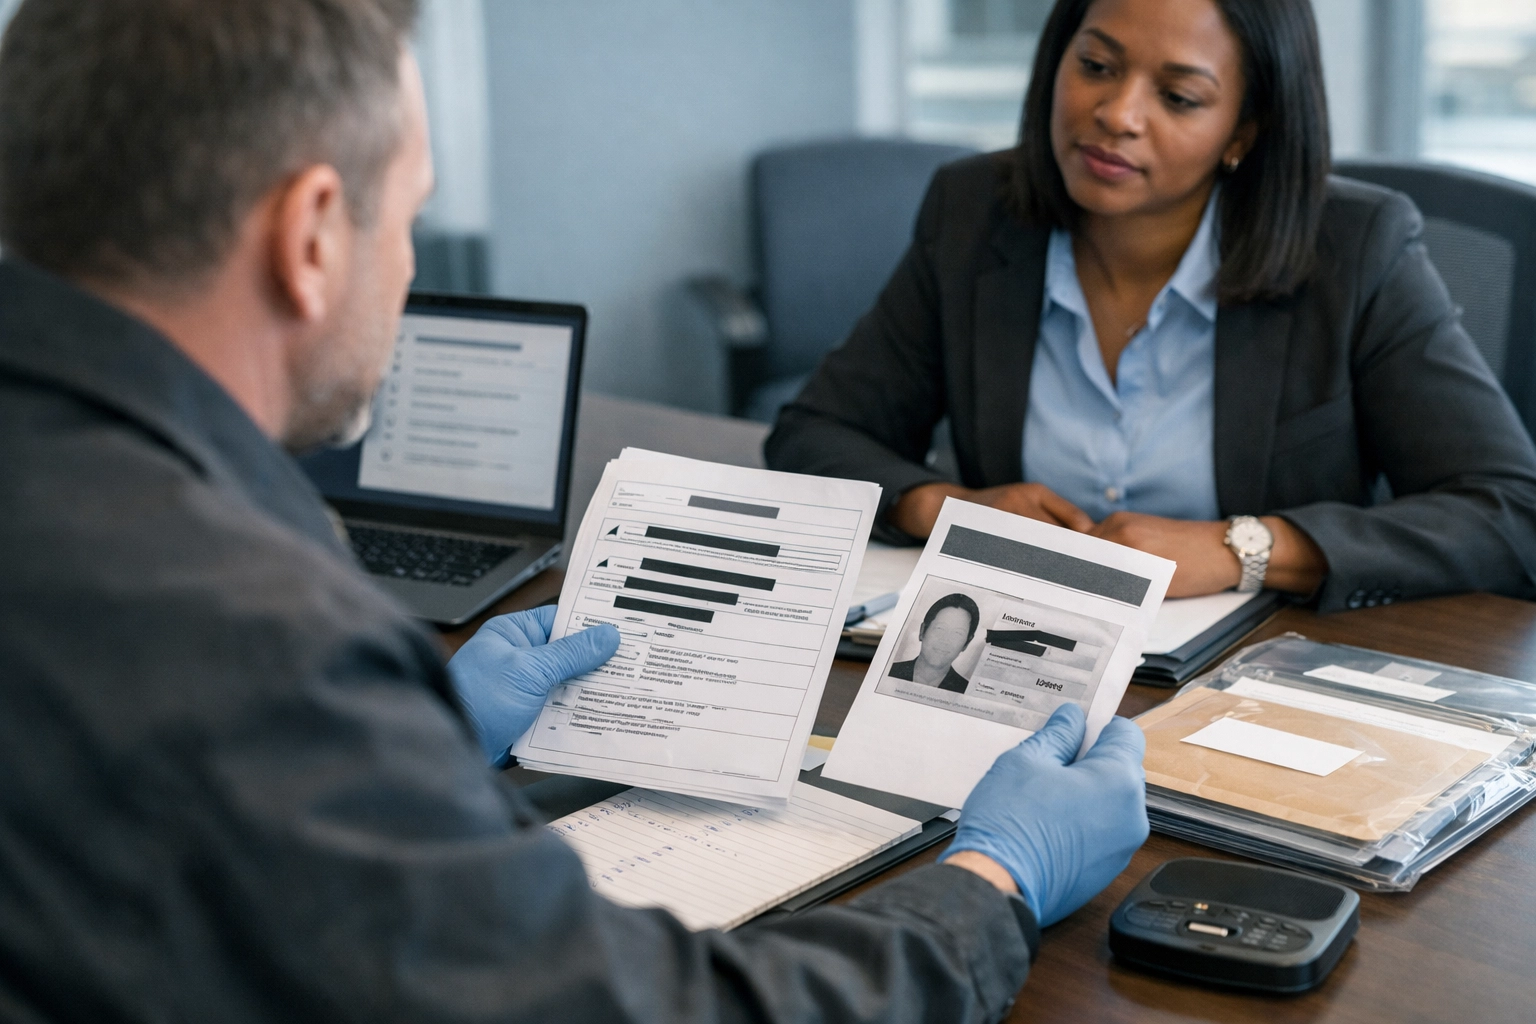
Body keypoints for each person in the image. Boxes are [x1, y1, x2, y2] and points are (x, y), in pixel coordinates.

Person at [0, 2, 1150, 1020]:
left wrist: (421, 738)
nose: (402, 269)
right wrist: (992, 881)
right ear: (309, 238)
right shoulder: (244, 636)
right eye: (405, 216)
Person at [765, 0, 1536, 612]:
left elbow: (1510, 512)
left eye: (1178, 96)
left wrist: (1241, 549)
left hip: (1258, 687)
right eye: (1095, 65)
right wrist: (949, 508)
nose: (1118, 113)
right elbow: (816, 433)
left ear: (1243, 131)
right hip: (1021, 658)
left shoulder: (1354, 249)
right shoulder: (975, 214)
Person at [889, 593, 981, 693]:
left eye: (957, 633)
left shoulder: (967, 691)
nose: (945, 640)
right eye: (940, 629)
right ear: (922, 631)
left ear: (966, 643)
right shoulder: (889, 672)